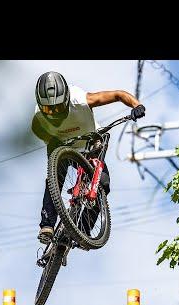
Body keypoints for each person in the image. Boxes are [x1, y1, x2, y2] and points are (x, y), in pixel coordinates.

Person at [31, 71, 146, 244]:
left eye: (58, 107)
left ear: (67, 99)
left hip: (89, 144)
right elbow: (37, 130)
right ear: (41, 106)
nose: (54, 113)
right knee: (54, 178)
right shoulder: (38, 115)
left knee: (103, 185)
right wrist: (52, 141)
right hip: (62, 146)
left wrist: (137, 105)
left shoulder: (81, 100)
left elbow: (118, 95)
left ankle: (81, 232)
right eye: (49, 110)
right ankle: (47, 225)